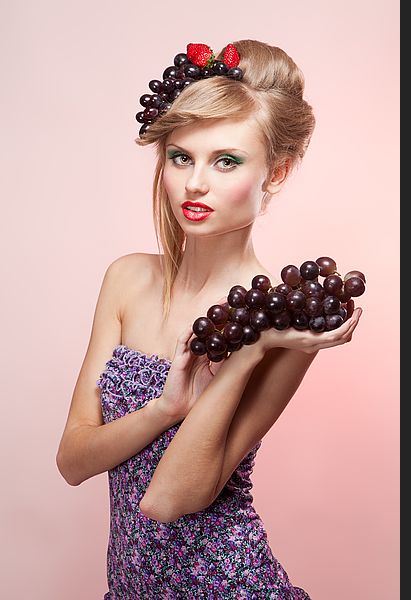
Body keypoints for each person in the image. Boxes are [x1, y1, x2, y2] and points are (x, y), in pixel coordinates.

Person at [56, 39, 362, 599]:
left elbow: (167, 500)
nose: (195, 183)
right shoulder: (126, 279)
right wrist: (166, 408)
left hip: (228, 584)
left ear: (277, 171)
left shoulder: (284, 322)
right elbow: (73, 460)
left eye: (226, 161)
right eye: (180, 157)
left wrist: (248, 351)